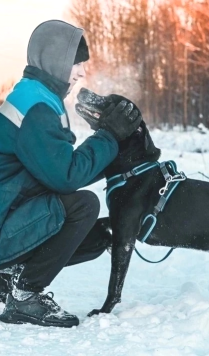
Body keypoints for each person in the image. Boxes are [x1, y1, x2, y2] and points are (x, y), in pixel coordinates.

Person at [0, 20, 142, 328]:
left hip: (10, 210)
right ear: (55, 59)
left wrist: (114, 156)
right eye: (76, 63)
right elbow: (65, 176)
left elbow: (57, 169)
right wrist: (108, 136)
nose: (80, 72)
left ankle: (7, 276)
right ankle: (25, 295)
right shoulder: (37, 107)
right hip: (4, 222)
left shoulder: (35, 96)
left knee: (94, 238)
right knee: (84, 206)